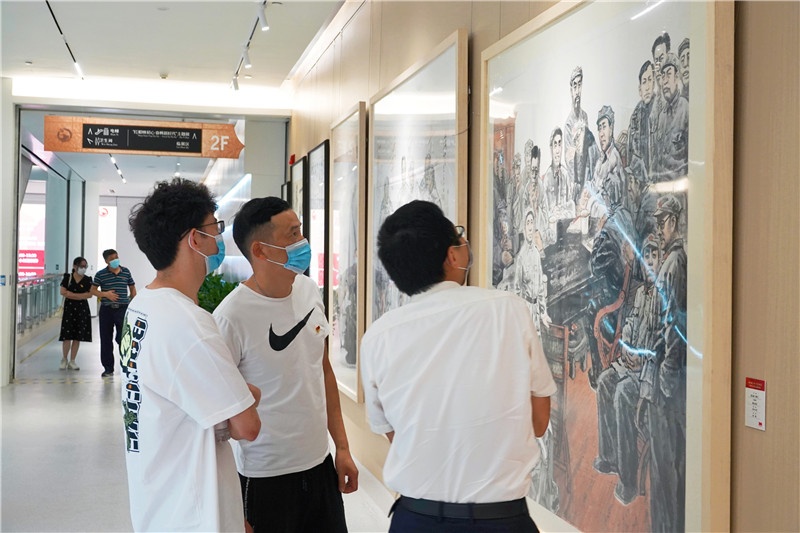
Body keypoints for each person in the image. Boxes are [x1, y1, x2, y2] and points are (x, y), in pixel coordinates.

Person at [360, 200, 556, 532]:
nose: (465, 242)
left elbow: (396, 434)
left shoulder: (377, 337)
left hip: (415, 520)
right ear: (452, 256)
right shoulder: (509, 310)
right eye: (460, 236)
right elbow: (538, 422)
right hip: (501, 521)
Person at [122, 178, 261, 532]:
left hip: (161, 507)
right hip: (195, 517)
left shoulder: (142, 307)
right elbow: (247, 426)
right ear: (194, 239)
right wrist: (246, 396)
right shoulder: (189, 323)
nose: (219, 238)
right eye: (215, 227)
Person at [213, 197, 358, 533]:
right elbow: (217, 419)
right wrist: (228, 505)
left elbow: (323, 370)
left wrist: (342, 447)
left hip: (320, 467)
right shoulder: (231, 318)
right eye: (292, 235)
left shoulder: (309, 291)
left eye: (300, 231)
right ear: (260, 250)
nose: (302, 242)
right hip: (265, 479)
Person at [91, 248, 136, 377]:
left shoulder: (126, 272)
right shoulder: (101, 274)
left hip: (122, 309)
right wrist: (105, 294)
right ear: (106, 261)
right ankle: (108, 368)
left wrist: (133, 302)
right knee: (106, 339)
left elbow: (132, 288)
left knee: (124, 339)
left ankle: (126, 366)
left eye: (116, 257)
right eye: (112, 259)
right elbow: (93, 290)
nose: (115, 260)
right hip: (107, 309)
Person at [58, 256, 93, 370]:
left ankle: (72, 360)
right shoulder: (67, 277)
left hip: (82, 310)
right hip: (69, 309)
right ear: (75, 266)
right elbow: (63, 292)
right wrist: (81, 296)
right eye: (81, 266)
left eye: (85, 266)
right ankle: (64, 359)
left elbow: (90, 294)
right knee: (67, 336)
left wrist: (72, 295)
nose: (83, 268)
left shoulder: (88, 279)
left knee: (77, 336)